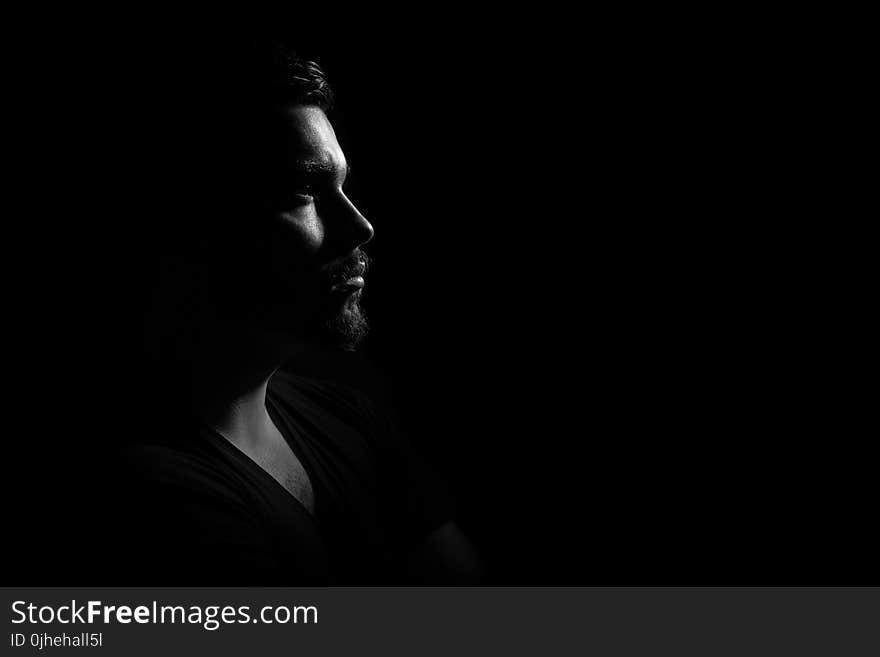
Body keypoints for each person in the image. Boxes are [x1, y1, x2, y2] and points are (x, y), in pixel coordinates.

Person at [110, 42, 482, 584]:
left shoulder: (350, 419)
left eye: (344, 186)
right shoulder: (147, 489)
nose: (360, 227)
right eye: (304, 190)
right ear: (197, 223)